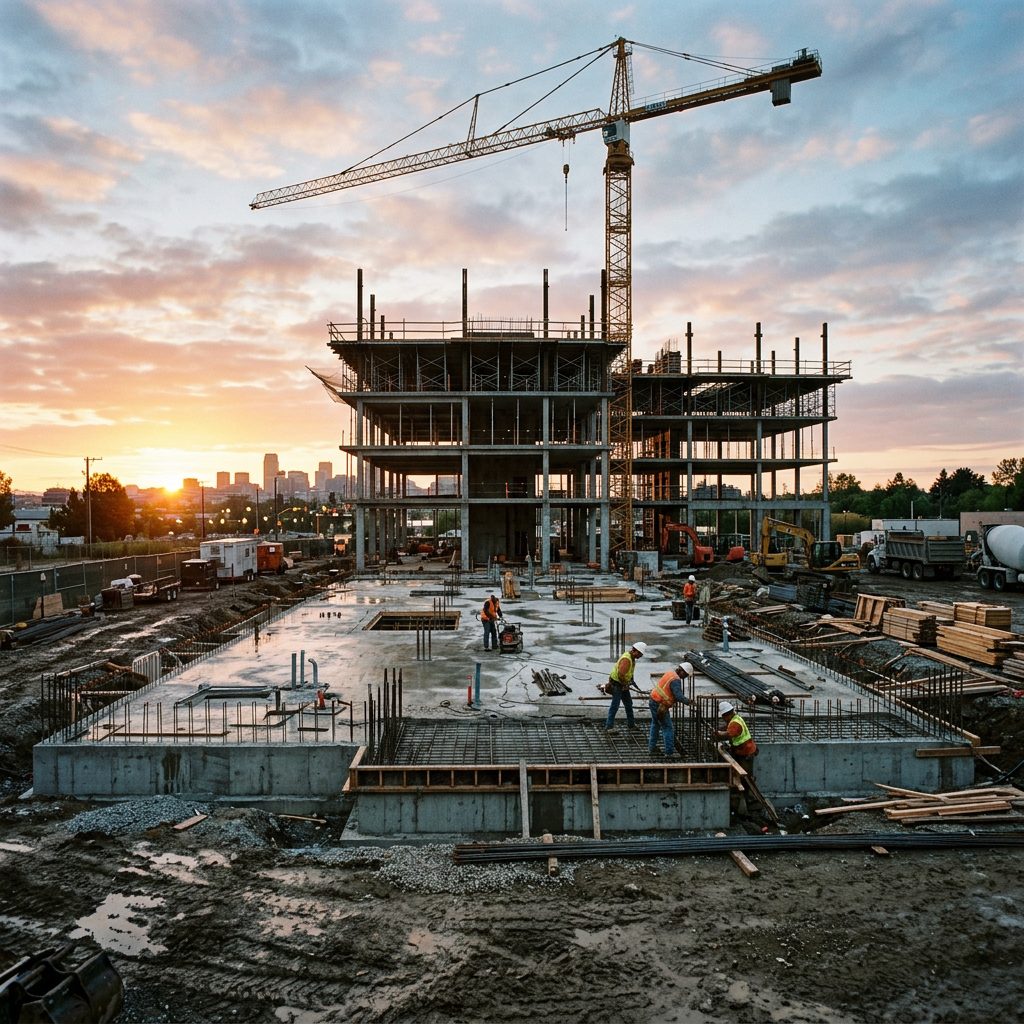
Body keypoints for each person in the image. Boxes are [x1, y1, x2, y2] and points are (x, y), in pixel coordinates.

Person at [714, 700, 758, 814]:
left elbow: (729, 734)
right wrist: (720, 729)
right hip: (741, 751)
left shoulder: (735, 724)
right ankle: (745, 798)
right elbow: (727, 727)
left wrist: (719, 734)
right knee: (742, 774)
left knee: (746, 777)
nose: (724, 719)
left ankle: (749, 799)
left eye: (724, 717)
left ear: (727, 714)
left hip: (746, 752)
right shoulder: (735, 718)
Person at [649, 661, 693, 757]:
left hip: (653, 700)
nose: (684, 677)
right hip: (660, 705)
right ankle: (669, 752)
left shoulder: (670, 673)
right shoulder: (676, 680)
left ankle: (652, 748)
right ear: (682, 671)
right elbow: (679, 696)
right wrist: (689, 702)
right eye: (685, 675)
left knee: (655, 724)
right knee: (668, 728)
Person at [604, 640, 648, 730]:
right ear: (635, 651)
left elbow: (628, 673)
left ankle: (631, 725)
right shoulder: (627, 659)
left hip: (622, 684)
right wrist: (625, 684)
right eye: (640, 654)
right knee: (615, 706)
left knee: (628, 704)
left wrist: (630, 681)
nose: (640, 656)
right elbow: (621, 674)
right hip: (617, 684)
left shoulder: (631, 657)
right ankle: (609, 727)